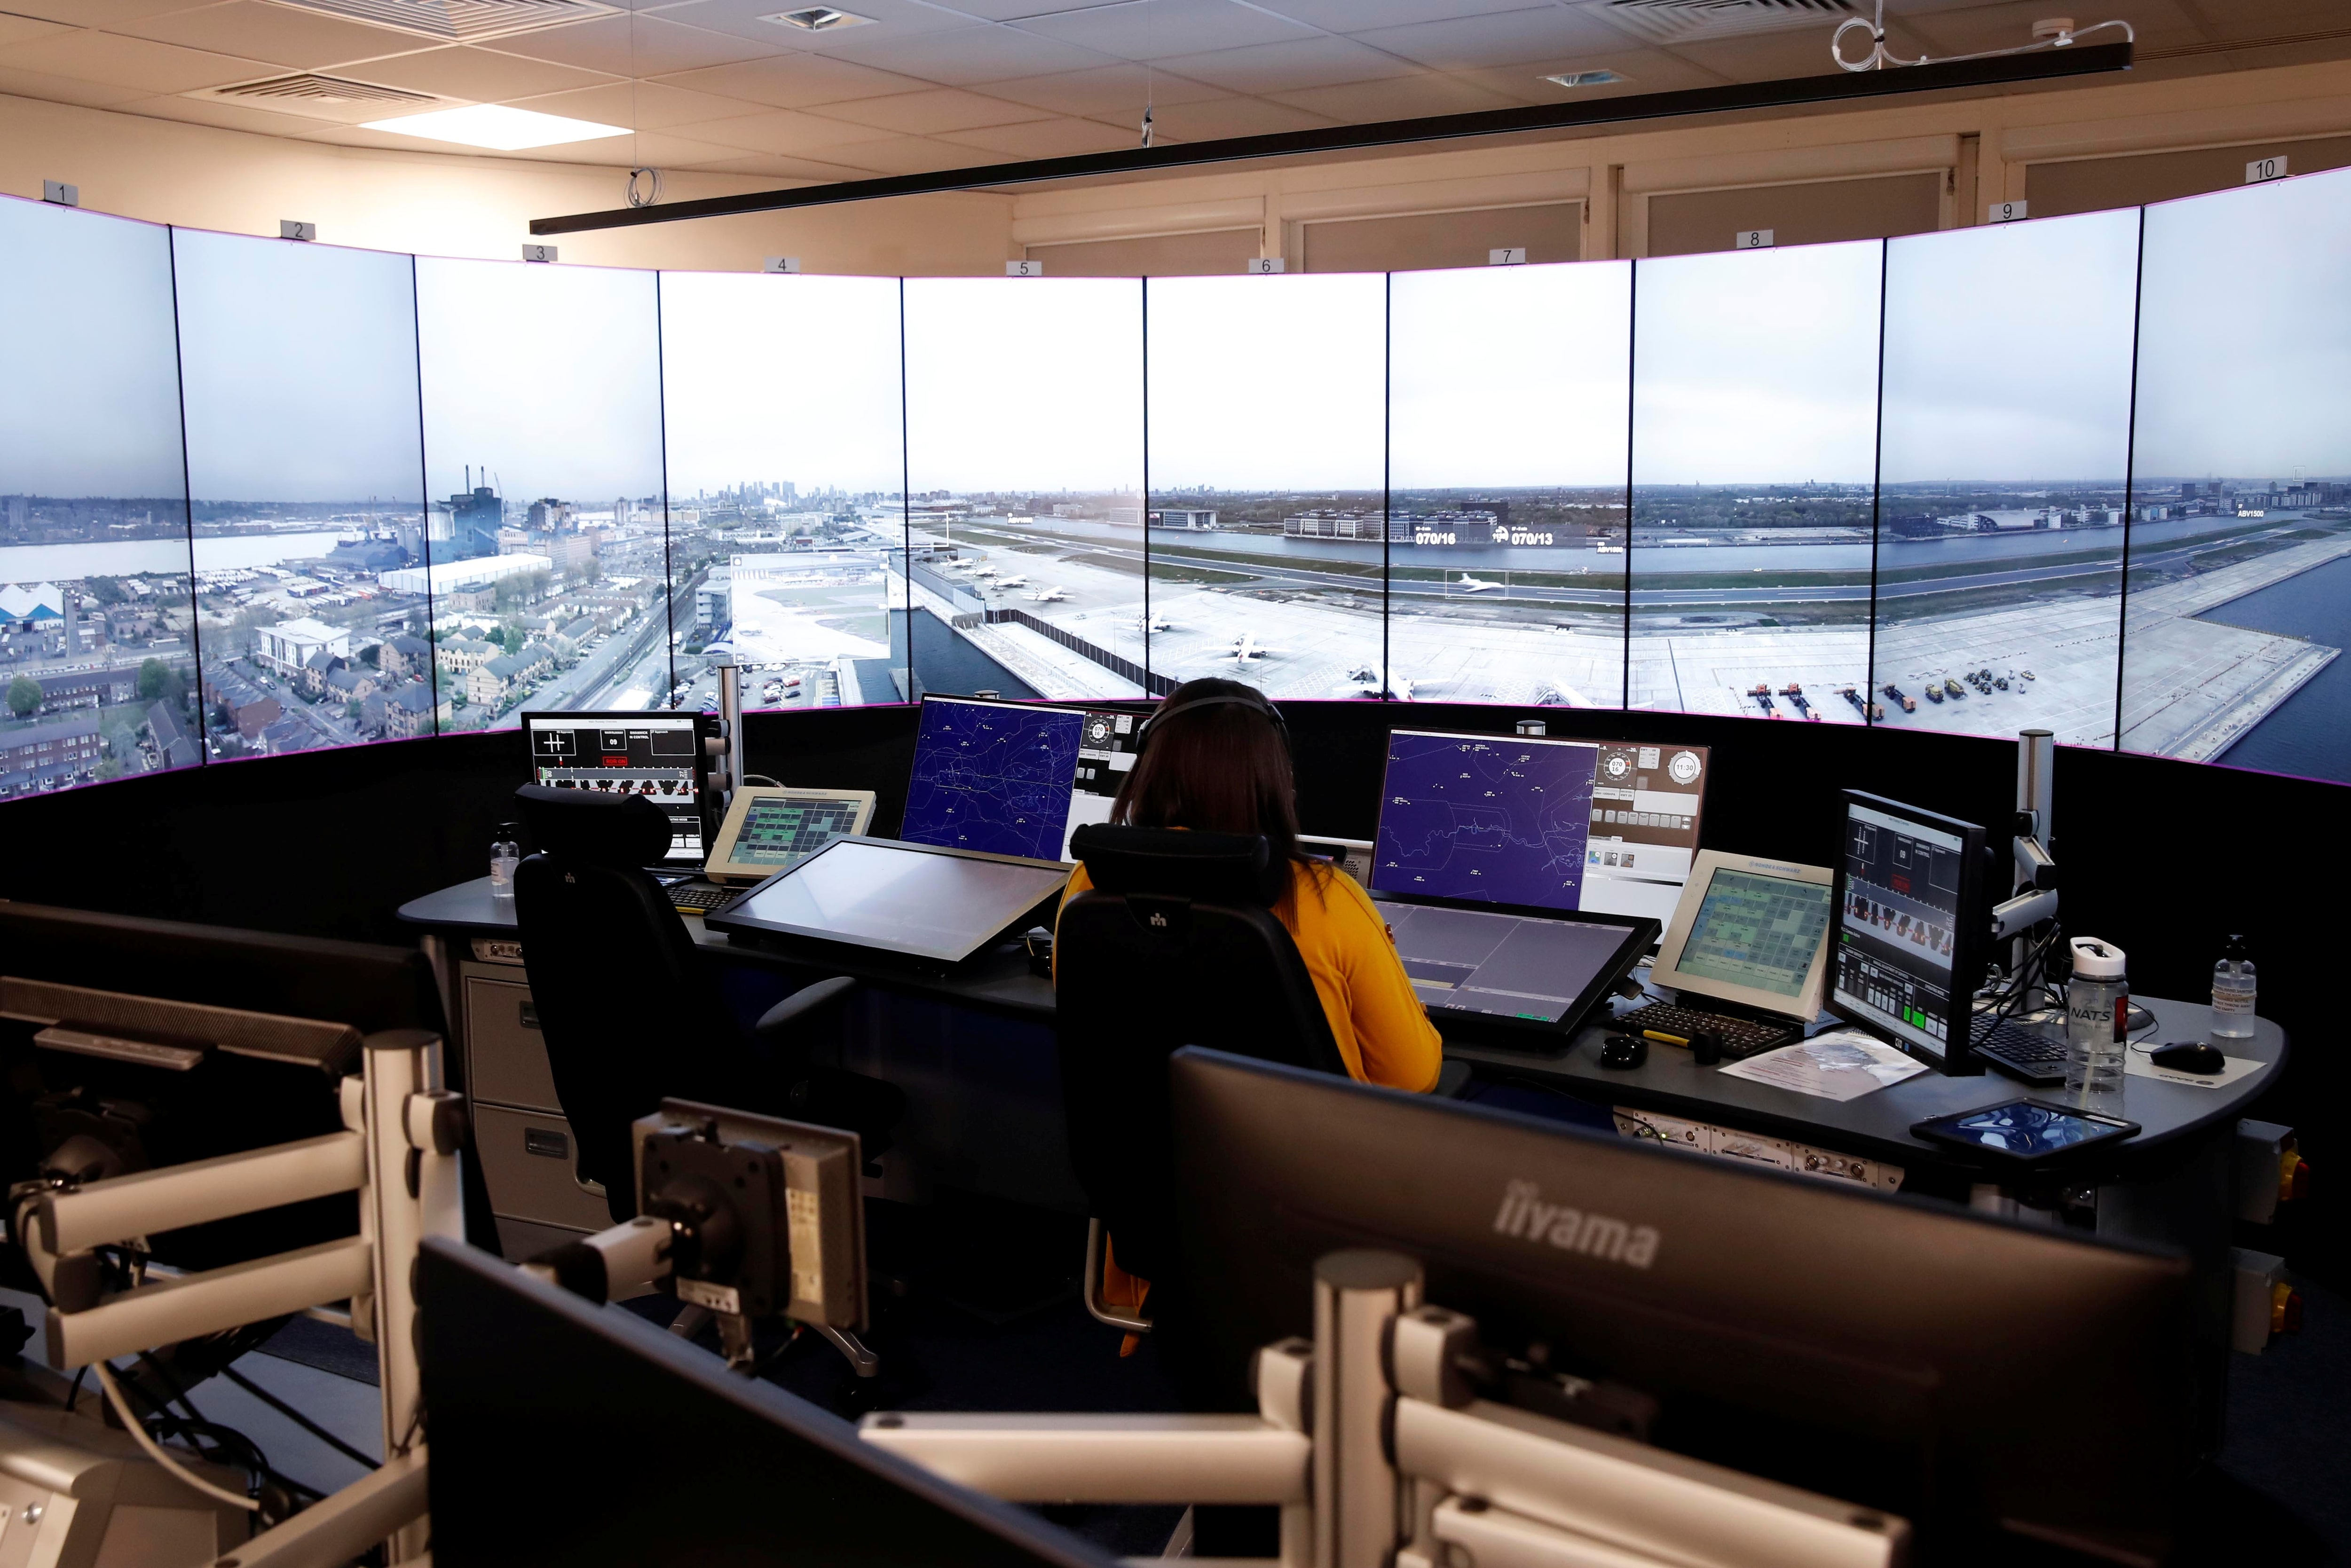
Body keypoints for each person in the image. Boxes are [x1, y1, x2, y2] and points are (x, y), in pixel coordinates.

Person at [1056, 677, 1444, 1094]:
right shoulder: (1326, 898)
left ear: (1146, 767)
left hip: (1146, 1134)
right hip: (1302, 1138)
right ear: (1278, 777)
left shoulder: (1092, 879)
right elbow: (1412, 1077)